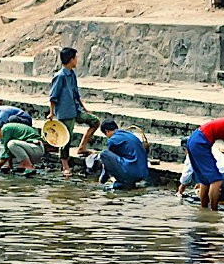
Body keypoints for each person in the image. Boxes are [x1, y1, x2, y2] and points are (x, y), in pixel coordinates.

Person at [49, 47, 100, 177]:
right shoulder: (60, 76)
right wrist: (51, 113)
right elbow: (53, 96)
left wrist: (84, 108)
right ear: (71, 60)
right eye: (76, 58)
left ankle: (82, 147)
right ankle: (65, 165)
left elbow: (76, 94)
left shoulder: (72, 74)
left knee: (95, 121)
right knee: (66, 139)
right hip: (65, 112)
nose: (77, 61)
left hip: (75, 108)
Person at [98, 119, 149, 189]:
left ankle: (122, 182)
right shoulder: (129, 134)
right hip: (143, 173)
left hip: (131, 172)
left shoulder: (112, 140)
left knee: (104, 154)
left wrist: (102, 180)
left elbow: (108, 163)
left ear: (107, 131)